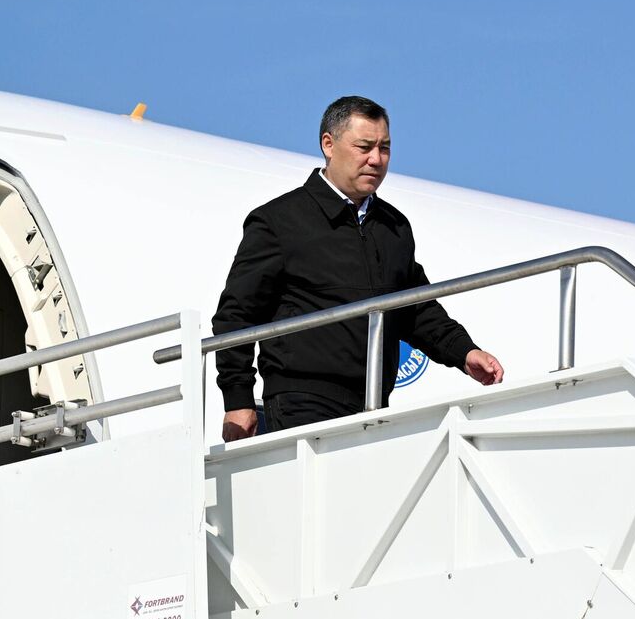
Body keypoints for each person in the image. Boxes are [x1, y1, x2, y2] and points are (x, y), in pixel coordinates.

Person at [213, 95, 504, 440]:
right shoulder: (279, 221)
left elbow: (416, 309)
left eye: (385, 148)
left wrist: (465, 352)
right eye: (364, 147)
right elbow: (236, 315)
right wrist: (238, 399)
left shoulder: (394, 227)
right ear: (328, 144)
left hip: (374, 406)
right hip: (302, 402)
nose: (376, 159)